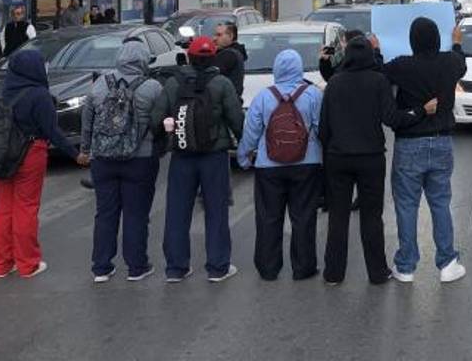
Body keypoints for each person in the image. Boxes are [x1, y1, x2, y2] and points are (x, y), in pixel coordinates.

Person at [319, 36, 434, 285]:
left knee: (338, 216)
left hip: (338, 157)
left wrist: (328, 155)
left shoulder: (335, 83)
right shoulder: (378, 81)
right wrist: (421, 111)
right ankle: (377, 272)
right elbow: (392, 118)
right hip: (370, 157)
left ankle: (333, 272)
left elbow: (323, 127)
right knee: (371, 216)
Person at [383, 18, 468, 284]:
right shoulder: (450, 62)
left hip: (409, 142)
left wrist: (374, 48)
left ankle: (406, 266)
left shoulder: (401, 65)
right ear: (437, 39)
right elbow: (461, 63)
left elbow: (378, 70)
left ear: (412, 41)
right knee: (440, 202)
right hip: (441, 140)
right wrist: (457, 43)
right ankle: (448, 263)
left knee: (406, 205)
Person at [154, 36, 244, 283]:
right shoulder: (222, 83)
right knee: (216, 211)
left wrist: (162, 142)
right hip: (214, 156)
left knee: (177, 211)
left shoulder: (174, 83)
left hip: (182, 155)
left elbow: (156, 117)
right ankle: (218, 267)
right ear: (213, 57)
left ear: (189, 57)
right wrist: (245, 146)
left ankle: (176, 268)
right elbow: (236, 119)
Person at [78, 40, 164, 283]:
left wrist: (86, 149)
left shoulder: (100, 84)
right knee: (136, 214)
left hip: (103, 159)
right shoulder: (152, 87)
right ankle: (137, 267)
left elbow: (87, 119)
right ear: (144, 60)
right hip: (140, 159)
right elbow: (160, 121)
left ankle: (101, 268)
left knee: (105, 213)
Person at [0, 49, 81, 278]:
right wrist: (74, 154)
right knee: (26, 207)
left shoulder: (1, 94)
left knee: (4, 208)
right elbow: (52, 131)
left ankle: (2, 264)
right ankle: (27, 263)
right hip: (30, 153)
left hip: (2, 154)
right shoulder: (39, 95)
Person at [236, 49, 324, 281]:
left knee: (268, 217)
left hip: (269, 166)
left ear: (276, 69)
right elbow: (322, 129)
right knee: (304, 217)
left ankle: (268, 268)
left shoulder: (263, 97)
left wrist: (244, 158)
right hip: (307, 164)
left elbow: (251, 132)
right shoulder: (313, 95)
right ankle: (303, 267)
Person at [213, 22, 247, 100]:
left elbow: (211, 75)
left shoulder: (228, 55)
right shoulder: (234, 52)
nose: (214, 38)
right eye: (214, 35)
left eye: (219, 35)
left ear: (231, 36)